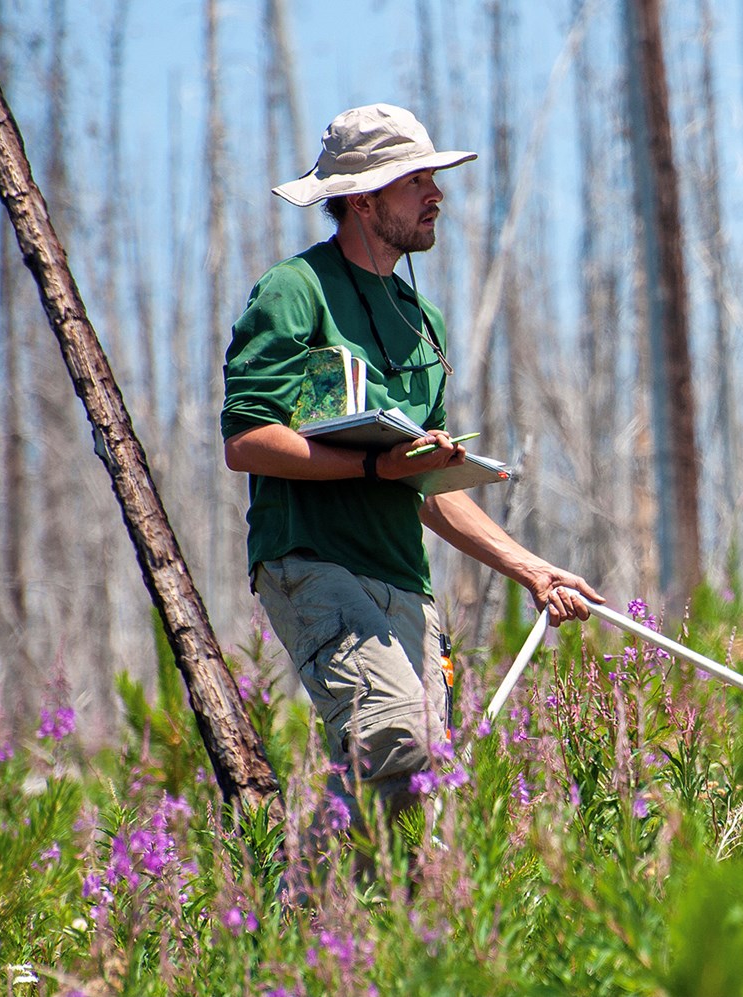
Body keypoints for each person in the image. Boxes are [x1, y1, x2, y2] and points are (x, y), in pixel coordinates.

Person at [221, 103, 602, 823]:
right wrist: (372, 470)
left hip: (402, 578)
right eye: (415, 180)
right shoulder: (294, 290)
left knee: (417, 797)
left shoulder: (422, 321)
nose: (436, 194)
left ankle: (320, 925)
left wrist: (532, 569)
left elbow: (426, 483)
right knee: (400, 733)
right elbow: (247, 441)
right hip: (312, 560)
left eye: (433, 176)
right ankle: (311, 911)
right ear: (362, 199)